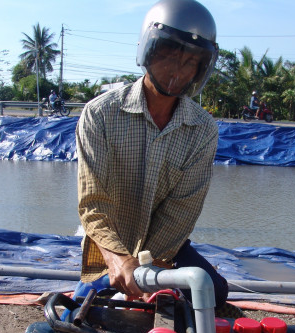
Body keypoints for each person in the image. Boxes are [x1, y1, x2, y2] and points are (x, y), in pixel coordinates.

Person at [74, 0, 230, 312]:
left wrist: (151, 270)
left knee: (213, 291)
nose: (177, 70)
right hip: (109, 245)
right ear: (149, 50)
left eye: (190, 63)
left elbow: (181, 211)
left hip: (164, 246)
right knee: (82, 310)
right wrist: (120, 262)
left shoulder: (203, 129)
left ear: (201, 68)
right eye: (169, 55)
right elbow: (93, 203)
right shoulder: (100, 114)